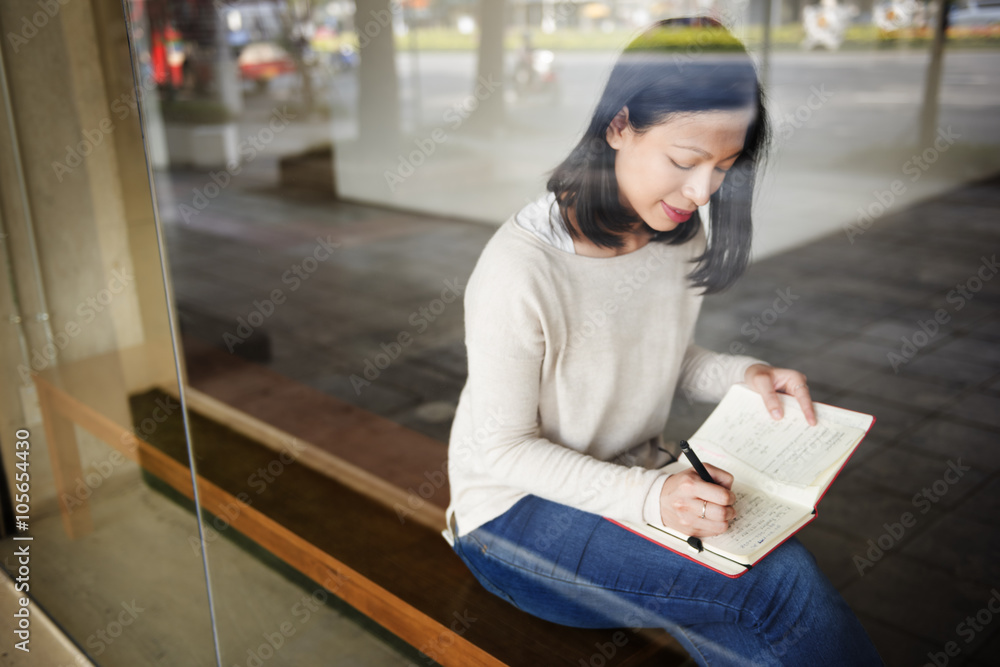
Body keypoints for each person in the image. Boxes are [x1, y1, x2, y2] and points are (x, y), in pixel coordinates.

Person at [442, 17, 883, 666]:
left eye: (724, 167)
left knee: (748, 622)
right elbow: (504, 450)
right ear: (619, 127)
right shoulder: (520, 268)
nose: (702, 191)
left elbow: (657, 357)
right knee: (775, 581)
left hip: (628, 477)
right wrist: (653, 497)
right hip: (513, 519)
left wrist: (745, 373)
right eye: (685, 160)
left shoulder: (676, 231)